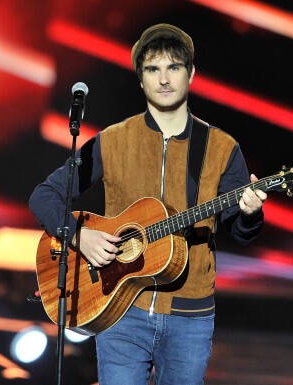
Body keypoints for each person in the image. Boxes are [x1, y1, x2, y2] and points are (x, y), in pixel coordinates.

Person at [29, 23, 266, 385]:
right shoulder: (112, 141)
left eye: (174, 67)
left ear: (191, 74)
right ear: (141, 79)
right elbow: (44, 196)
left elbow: (240, 230)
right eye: (153, 69)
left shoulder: (221, 148)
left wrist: (249, 213)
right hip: (121, 310)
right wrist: (80, 236)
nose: (164, 79)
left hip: (190, 317)